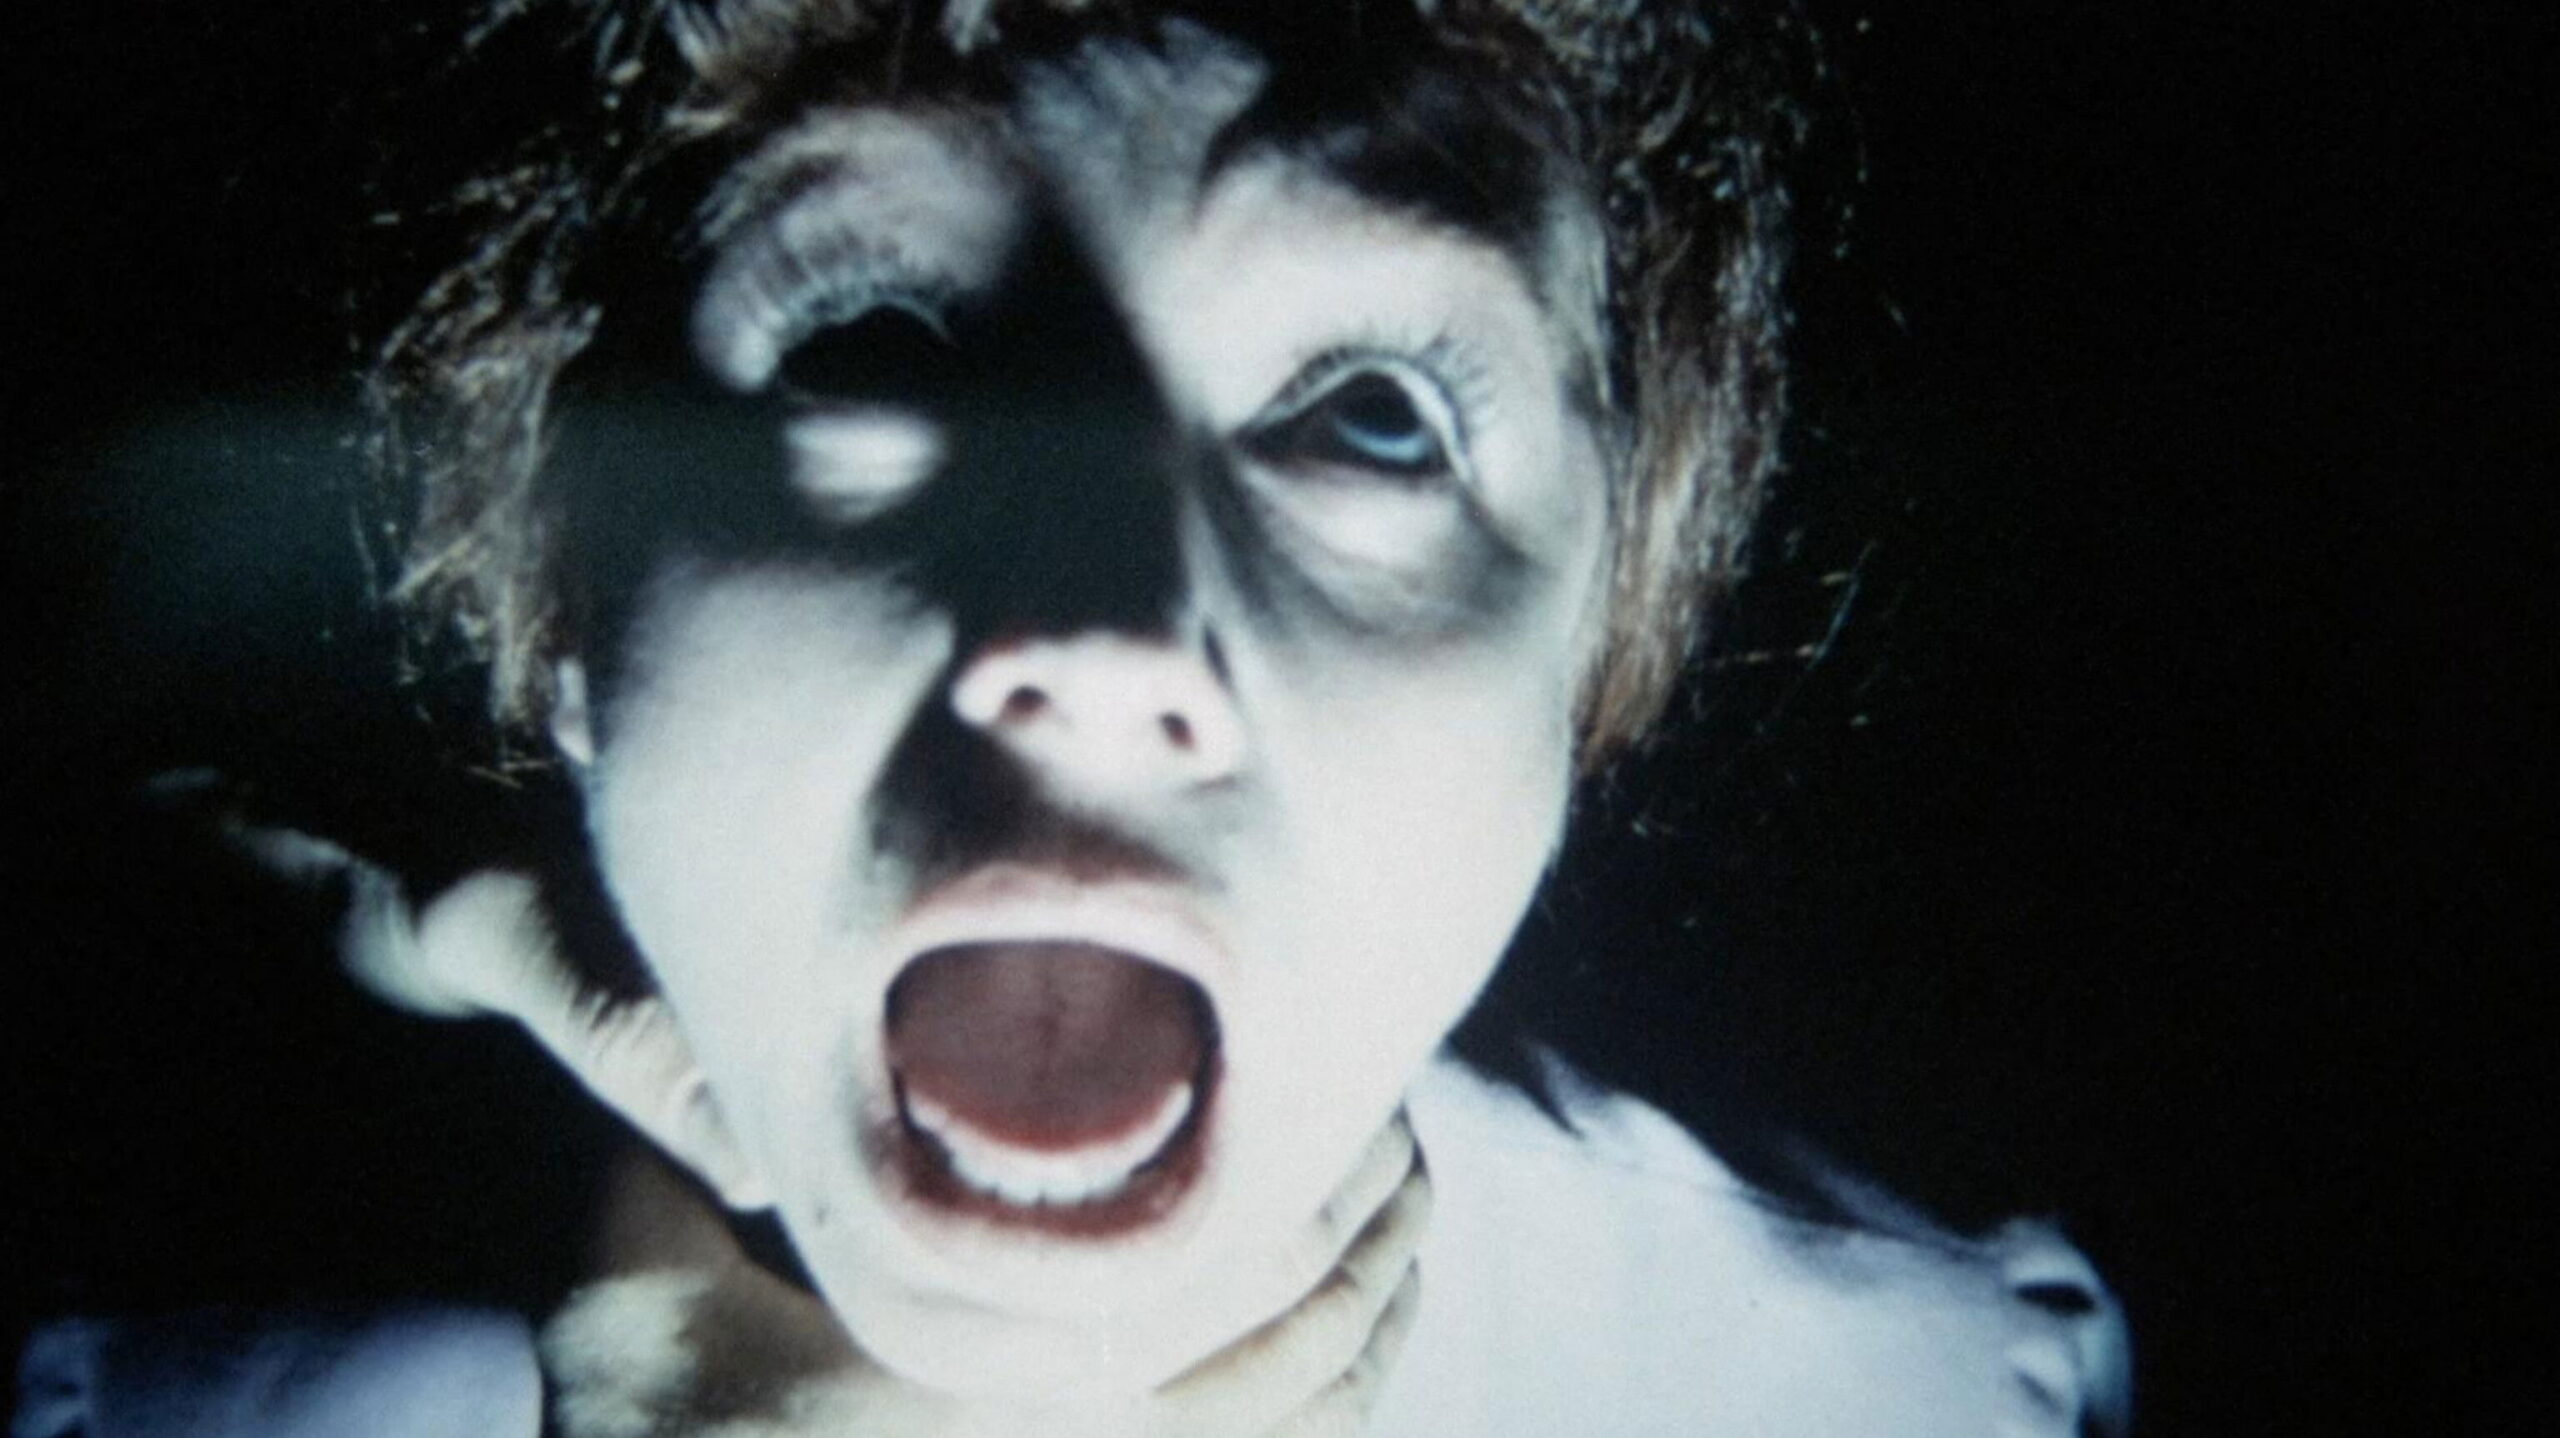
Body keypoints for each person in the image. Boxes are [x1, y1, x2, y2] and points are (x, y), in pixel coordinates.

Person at [17, 2, 2130, 1433]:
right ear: (554, 604)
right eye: (871, 355)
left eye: (1371, 416)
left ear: (1593, 666)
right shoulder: (122, 1368)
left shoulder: (1914, 1391)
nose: (1104, 639)